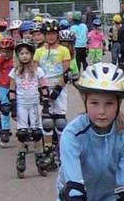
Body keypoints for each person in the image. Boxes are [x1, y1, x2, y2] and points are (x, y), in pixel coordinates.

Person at [56, 62, 124, 201]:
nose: (101, 112)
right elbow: (74, 186)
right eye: (94, 103)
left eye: (109, 103)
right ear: (85, 102)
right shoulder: (73, 134)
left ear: (119, 104)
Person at [7, 40, 53, 178]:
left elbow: (44, 88)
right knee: (22, 133)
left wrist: (45, 104)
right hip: (21, 105)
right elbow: (11, 90)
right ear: (17, 55)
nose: (24, 56)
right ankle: (21, 157)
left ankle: (39, 157)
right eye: (21, 53)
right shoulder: (14, 72)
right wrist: (13, 107)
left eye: (27, 53)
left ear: (32, 55)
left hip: (34, 104)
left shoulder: (38, 71)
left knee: (37, 133)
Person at [34, 19, 72, 171]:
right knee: (47, 122)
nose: (50, 37)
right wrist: (42, 91)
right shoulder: (38, 52)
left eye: (53, 34)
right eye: (48, 34)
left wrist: (56, 91)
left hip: (59, 88)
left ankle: (63, 152)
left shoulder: (64, 50)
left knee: (60, 121)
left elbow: (66, 73)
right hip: (44, 88)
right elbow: (36, 72)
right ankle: (48, 151)